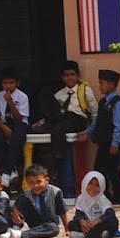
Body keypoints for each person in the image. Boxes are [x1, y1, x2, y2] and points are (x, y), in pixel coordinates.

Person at [46, 62, 96, 192]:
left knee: (59, 129)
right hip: (64, 120)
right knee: (55, 128)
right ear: (62, 78)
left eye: (72, 75)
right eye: (66, 75)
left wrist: (90, 131)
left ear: (78, 76)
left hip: (79, 119)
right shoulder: (59, 95)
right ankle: (56, 161)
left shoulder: (85, 90)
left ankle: (58, 158)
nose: (69, 78)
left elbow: (94, 112)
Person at [0, 70, 31, 183]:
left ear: (17, 83)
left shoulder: (22, 97)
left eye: (11, 83)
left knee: (17, 137)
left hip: (19, 123)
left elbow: (19, 118)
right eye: (5, 83)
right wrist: (3, 127)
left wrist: (10, 102)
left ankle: (6, 171)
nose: (8, 86)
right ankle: (9, 170)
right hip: (3, 123)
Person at [88, 70, 120, 202]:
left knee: (113, 171)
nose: (100, 86)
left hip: (111, 144)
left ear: (111, 84)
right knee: (100, 169)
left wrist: (115, 144)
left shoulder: (117, 102)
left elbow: (119, 124)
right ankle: (105, 195)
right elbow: (97, 121)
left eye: (102, 83)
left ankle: (119, 196)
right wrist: (87, 132)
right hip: (103, 143)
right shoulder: (103, 101)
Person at [14, 164, 69, 238]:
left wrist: (67, 229)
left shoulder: (55, 192)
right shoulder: (27, 194)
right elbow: (17, 204)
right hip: (34, 223)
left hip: (50, 224)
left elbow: (62, 211)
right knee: (22, 201)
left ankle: (21, 234)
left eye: (39, 182)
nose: (36, 186)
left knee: (54, 229)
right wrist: (15, 211)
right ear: (27, 182)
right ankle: (15, 228)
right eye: (31, 182)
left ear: (47, 180)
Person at [70, 171, 120, 238]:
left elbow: (110, 213)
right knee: (71, 224)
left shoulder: (102, 199)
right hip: (87, 225)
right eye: (90, 184)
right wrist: (82, 221)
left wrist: (96, 222)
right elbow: (78, 214)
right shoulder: (81, 198)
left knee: (113, 222)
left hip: (99, 225)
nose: (93, 187)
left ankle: (86, 236)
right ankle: (96, 235)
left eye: (97, 185)